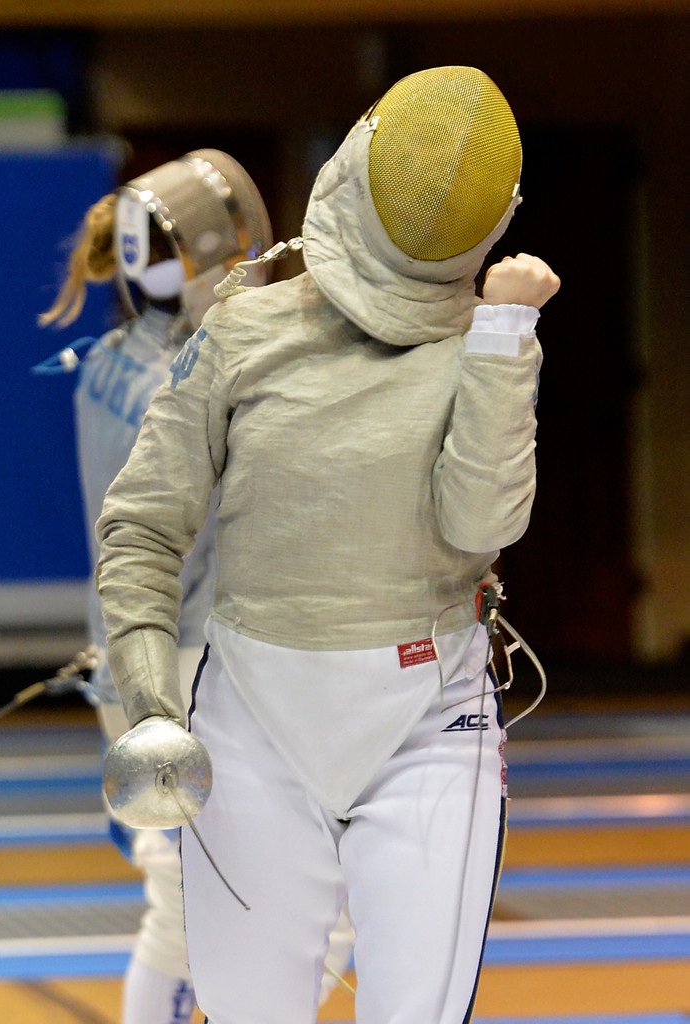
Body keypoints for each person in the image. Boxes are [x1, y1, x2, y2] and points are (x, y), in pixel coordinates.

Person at [96, 66, 560, 1024]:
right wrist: (151, 704)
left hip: (427, 722)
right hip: (252, 721)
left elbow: (480, 523)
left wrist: (506, 336)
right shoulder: (244, 330)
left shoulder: (484, 343)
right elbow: (143, 523)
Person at [41, 149, 353, 1024]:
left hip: (126, 657)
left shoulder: (107, 355)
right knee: (292, 903)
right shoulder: (196, 378)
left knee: (182, 901)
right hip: (194, 670)